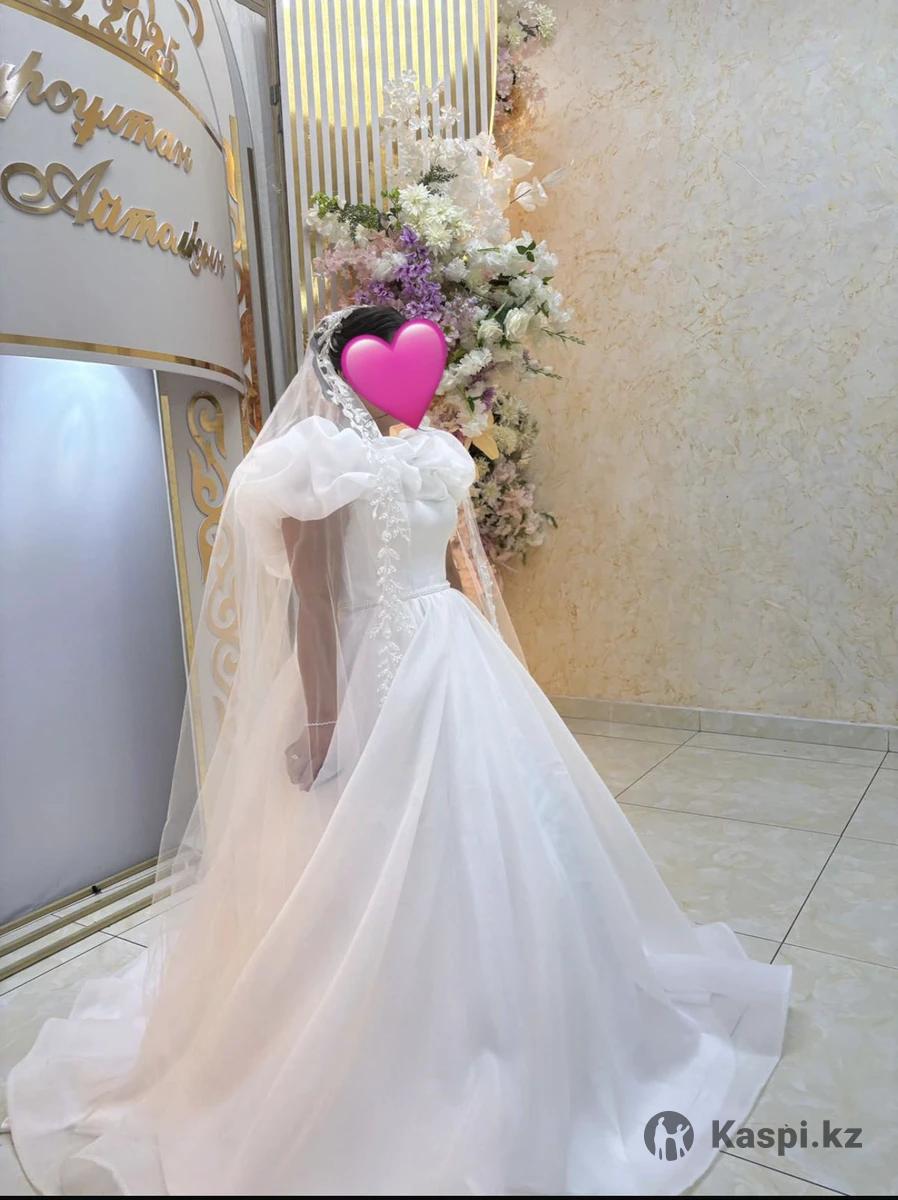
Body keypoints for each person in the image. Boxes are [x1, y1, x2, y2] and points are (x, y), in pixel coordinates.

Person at [4, 307, 790, 1196]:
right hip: (442, 650)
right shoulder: (417, 458)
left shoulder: (347, 462)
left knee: (415, 847)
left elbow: (329, 604)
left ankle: (449, 1030)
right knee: (468, 841)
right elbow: (413, 587)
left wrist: (327, 722)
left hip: (404, 658)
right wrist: (354, 714)